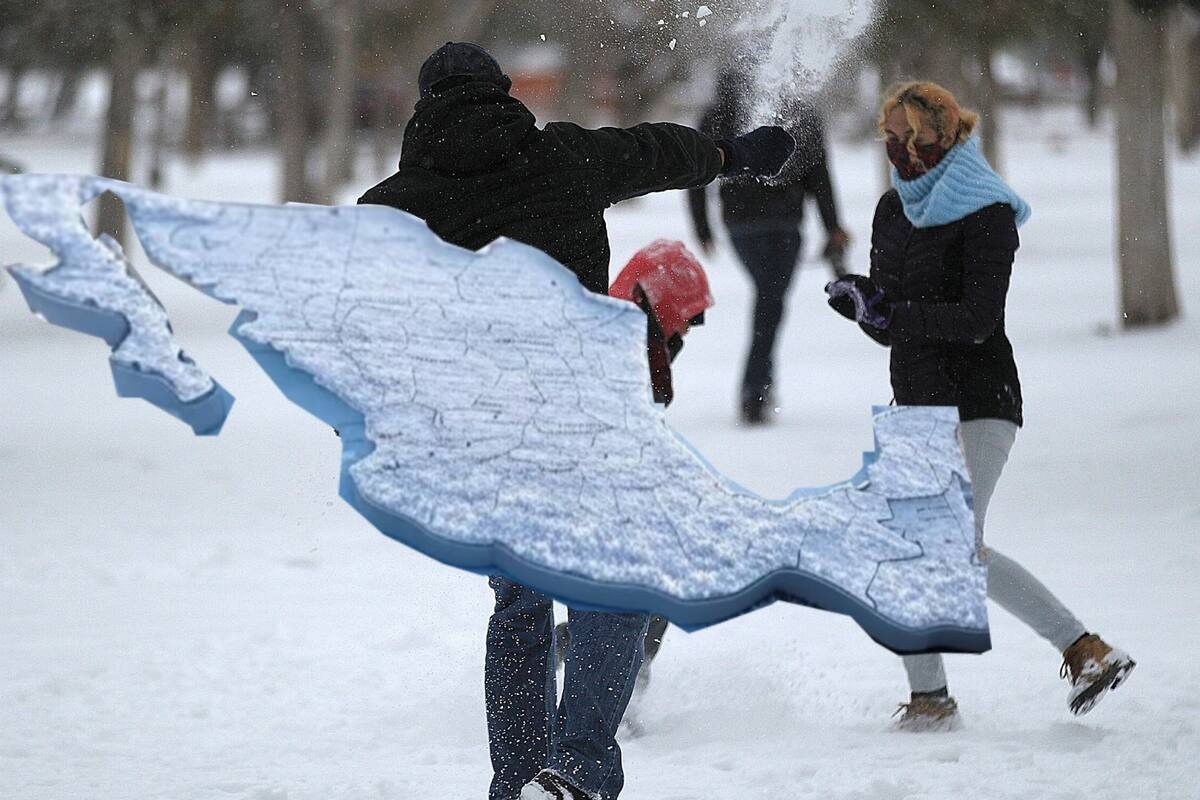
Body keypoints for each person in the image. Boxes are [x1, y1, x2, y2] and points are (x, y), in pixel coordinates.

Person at [359, 43, 794, 799]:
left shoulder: (391, 208)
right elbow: (653, 151)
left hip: (481, 435)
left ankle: (521, 780)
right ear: (501, 92)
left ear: (423, 108)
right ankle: (578, 769)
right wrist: (729, 153)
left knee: (520, 605)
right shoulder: (559, 157)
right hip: (580, 416)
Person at [825, 81, 1135, 732]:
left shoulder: (986, 211)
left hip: (977, 399)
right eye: (890, 140)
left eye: (909, 139)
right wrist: (864, 304)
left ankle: (1079, 651)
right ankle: (937, 698)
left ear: (941, 137)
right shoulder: (892, 210)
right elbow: (893, 321)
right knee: (912, 545)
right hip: (913, 401)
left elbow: (974, 318)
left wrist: (894, 311)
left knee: (946, 546)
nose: (899, 152)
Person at [688, 67, 851, 424]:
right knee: (770, 299)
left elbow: (696, 170)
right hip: (780, 222)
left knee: (769, 299)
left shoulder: (719, 111)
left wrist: (703, 226)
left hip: (747, 224)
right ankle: (755, 389)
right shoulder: (797, 109)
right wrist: (831, 225)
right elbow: (819, 176)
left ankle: (759, 386)